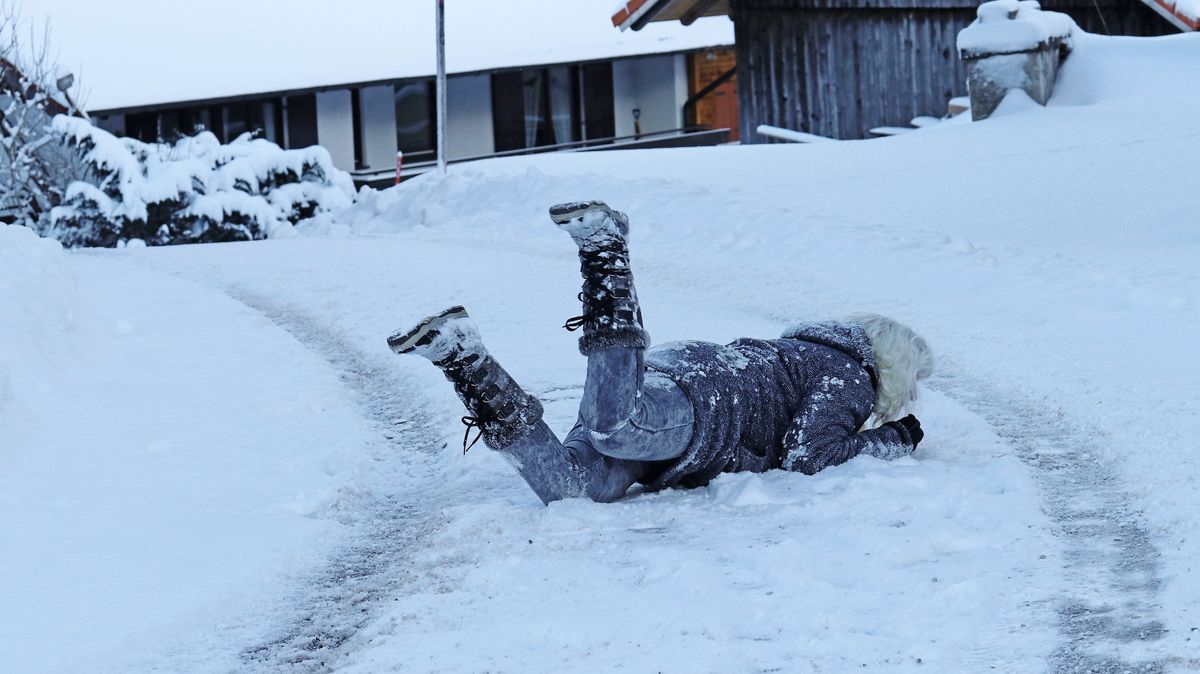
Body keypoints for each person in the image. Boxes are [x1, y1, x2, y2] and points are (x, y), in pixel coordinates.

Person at [388, 201, 934, 505]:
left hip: (672, 424)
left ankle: (463, 358)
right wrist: (894, 438)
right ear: (894, 364)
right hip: (704, 398)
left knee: (570, 490)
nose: (912, 391)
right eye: (916, 378)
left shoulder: (816, 356)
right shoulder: (848, 373)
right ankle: (606, 255)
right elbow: (809, 456)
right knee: (615, 426)